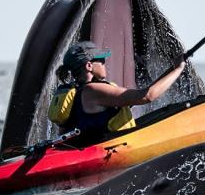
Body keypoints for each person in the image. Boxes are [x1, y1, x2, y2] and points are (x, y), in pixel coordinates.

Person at [48, 41, 186, 143]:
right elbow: (147, 96)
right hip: (108, 152)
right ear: (89, 65)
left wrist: (171, 70)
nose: (104, 63)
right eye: (101, 60)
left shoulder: (74, 92)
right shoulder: (94, 90)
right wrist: (178, 69)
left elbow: (144, 92)